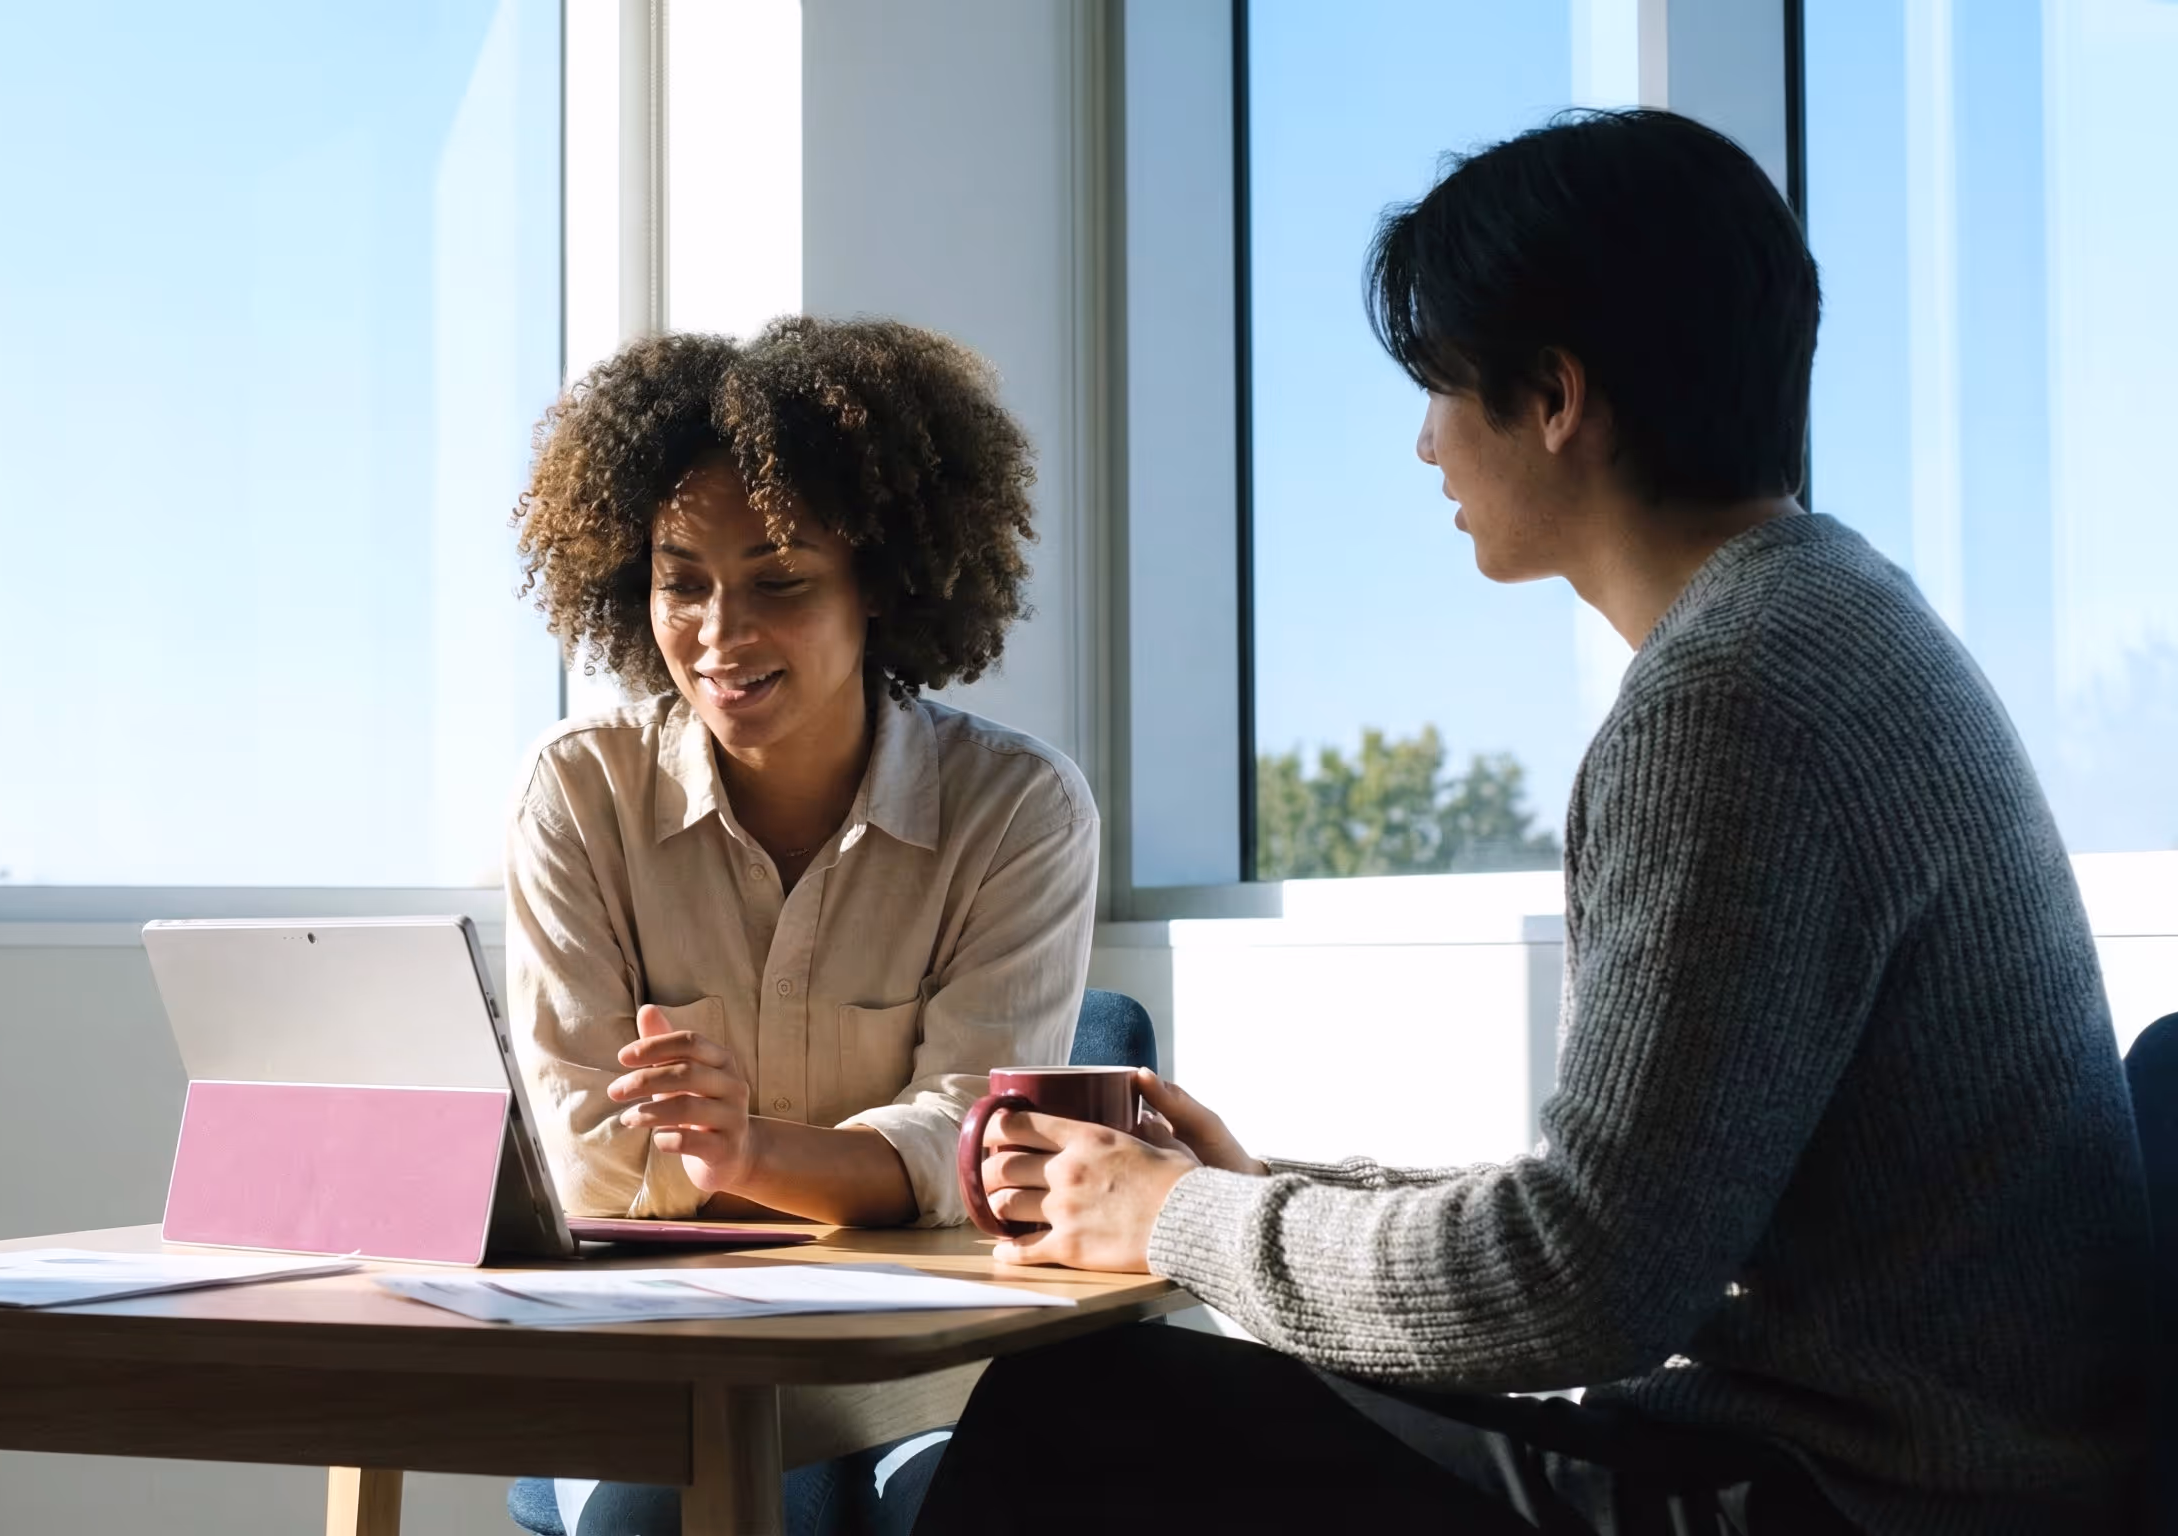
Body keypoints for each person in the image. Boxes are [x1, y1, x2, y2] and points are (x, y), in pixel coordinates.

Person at [922, 109, 2149, 1535]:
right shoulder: (1831, 618)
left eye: (1441, 385)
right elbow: (1632, 1215)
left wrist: (1182, 1221)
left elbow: (1586, 1281)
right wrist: (1246, 1194)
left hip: (1856, 1503)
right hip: (1899, 1467)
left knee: (1079, 1416)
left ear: (1556, 398)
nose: (1426, 439)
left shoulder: (1734, 699)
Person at [503, 316, 1098, 1535]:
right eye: (681, 580)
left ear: (879, 581)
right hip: (649, 1367)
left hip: (913, 1380)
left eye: (778, 581)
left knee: (948, 1508)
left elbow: (969, 1155)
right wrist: (822, 1175)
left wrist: (746, 1156)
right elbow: (588, 1168)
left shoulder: (1017, 811)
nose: (719, 635)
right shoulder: (576, 795)